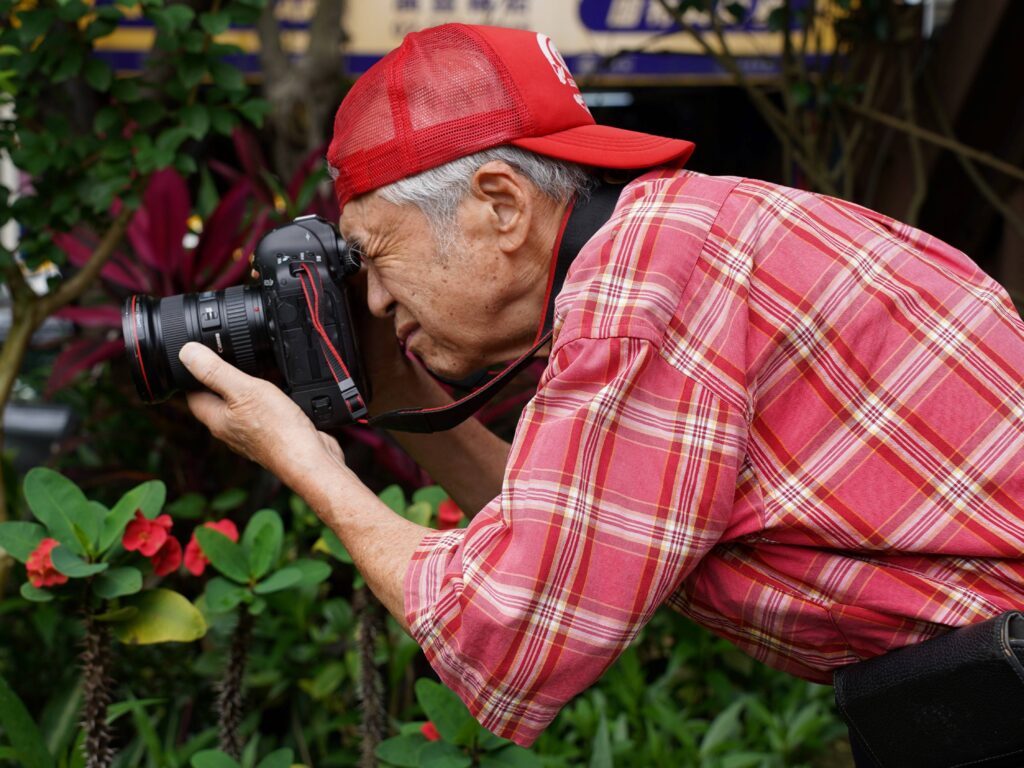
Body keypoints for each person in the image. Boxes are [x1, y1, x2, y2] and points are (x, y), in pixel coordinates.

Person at [178, 22, 1024, 753]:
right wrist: (395, 390)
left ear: (500, 205)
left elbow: (506, 639)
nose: (371, 298)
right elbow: (563, 544)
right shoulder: (676, 242)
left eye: (376, 255)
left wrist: (305, 461)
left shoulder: (641, 297)